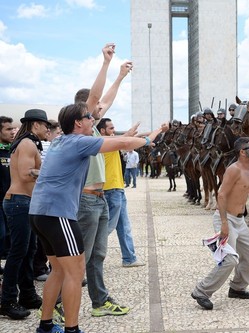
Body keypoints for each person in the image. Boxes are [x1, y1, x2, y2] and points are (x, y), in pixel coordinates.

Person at [29, 102, 163, 333]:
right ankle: (72, 329)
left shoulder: (61, 139)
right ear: (78, 122)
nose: (94, 119)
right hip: (57, 213)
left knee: (59, 271)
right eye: (89, 116)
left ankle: (46, 325)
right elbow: (121, 142)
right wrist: (149, 140)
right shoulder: (78, 142)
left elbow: (116, 138)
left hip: (40, 212)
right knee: (75, 272)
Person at [191, 137, 249, 310]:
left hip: (240, 221)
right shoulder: (233, 170)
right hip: (226, 219)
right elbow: (221, 195)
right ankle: (201, 291)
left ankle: (237, 287)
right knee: (229, 259)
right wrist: (224, 223)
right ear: (242, 152)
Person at [73, 53, 136, 319]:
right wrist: (107, 64)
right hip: (86, 200)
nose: (101, 109)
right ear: (83, 112)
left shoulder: (94, 129)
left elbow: (105, 99)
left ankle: (99, 302)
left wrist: (121, 76)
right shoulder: (78, 132)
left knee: (98, 254)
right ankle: (62, 304)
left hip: (99, 199)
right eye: (95, 108)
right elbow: (98, 97)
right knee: (81, 258)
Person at [0, 109, 49, 320]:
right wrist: (50, 172)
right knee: (18, 252)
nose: (48, 129)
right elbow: (26, 174)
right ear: (35, 125)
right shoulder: (27, 143)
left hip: (25, 202)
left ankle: (27, 294)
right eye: (45, 125)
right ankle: (7, 300)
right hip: (19, 202)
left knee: (29, 251)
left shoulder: (29, 143)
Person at [96, 118, 145, 267]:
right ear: (102, 131)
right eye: (111, 128)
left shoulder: (110, 142)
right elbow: (126, 138)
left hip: (118, 189)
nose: (113, 131)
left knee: (124, 226)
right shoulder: (103, 143)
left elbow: (128, 138)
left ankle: (129, 258)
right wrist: (137, 134)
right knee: (106, 228)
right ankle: (87, 257)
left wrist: (149, 135)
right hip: (110, 190)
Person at [34, 119, 62, 282]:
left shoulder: (54, 146)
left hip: (52, 196)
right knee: (44, 238)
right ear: (49, 133)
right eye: (57, 133)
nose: (59, 136)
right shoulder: (45, 147)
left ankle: (53, 269)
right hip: (46, 196)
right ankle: (39, 268)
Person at [0, 116, 16, 273]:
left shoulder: (12, 150)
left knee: (8, 236)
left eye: (12, 129)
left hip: (10, 201)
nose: (12, 132)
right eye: (8, 129)